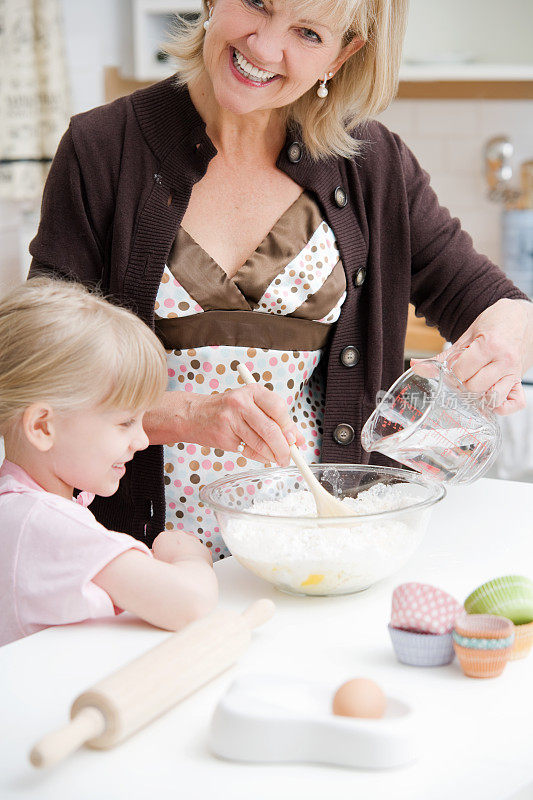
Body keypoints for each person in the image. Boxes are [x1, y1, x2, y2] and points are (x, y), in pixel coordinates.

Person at [29, 0, 533, 559]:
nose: (264, 48)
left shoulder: (372, 164)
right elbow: (37, 378)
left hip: (311, 547)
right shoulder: (101, 149)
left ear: (342, 56)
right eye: (256, 4)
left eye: (308, 33)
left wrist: (507, 340)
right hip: (137, 560)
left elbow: (492, 301)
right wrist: (188, 415)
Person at [0, 278, 217, 647]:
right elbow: (191, 603)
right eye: (124, 422)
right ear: (42, 426)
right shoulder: (46, 522)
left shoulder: (18, 504)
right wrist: (191, 558)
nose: (143, 440)